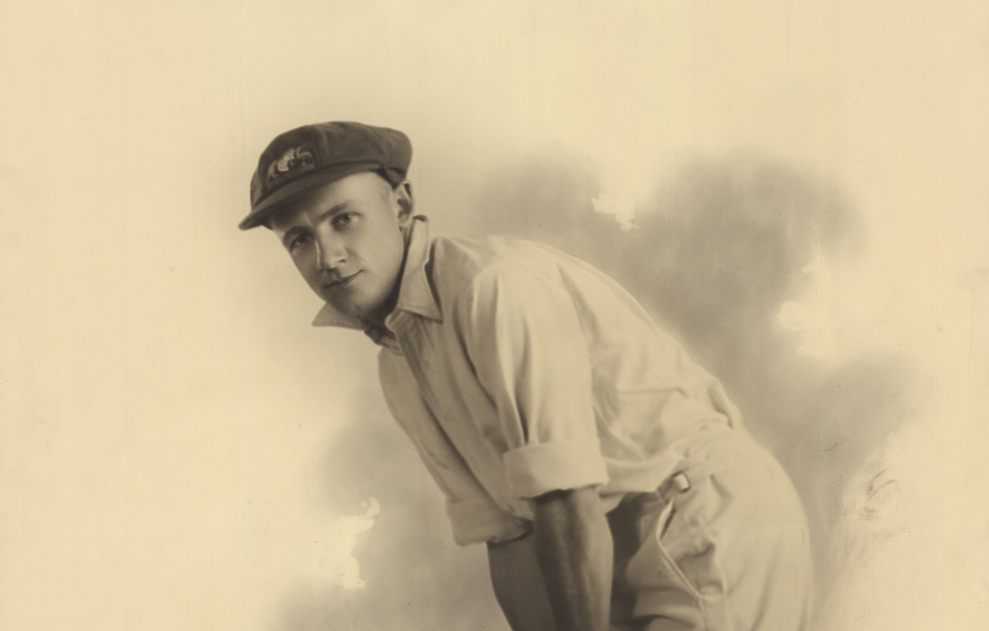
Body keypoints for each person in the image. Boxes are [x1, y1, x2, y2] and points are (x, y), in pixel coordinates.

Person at [239, 121, 813, 631]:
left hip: (701, 515)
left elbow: (566, 498)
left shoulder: (494, 288)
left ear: (401, 203)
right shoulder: (397, 361)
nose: (328, 256)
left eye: (344, 219)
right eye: (300, 239)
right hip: (617, 543)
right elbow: (510, 537)